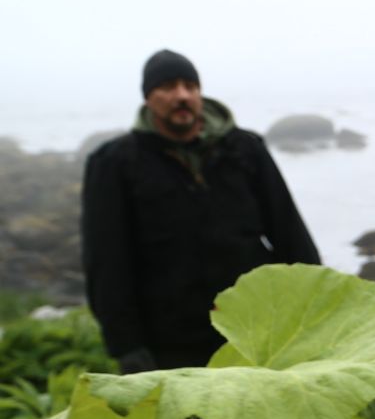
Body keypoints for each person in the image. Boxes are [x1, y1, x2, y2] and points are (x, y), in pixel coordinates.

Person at [82, 49, 321, 373]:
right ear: (148, 98)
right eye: (167, 87)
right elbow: (106, 262)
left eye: (189, 86)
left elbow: (289, 231)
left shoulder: (246, 149)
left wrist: (312, 308)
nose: (182, 95)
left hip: (253, 330)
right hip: (167, 341)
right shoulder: (115, 163)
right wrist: (126, 345)